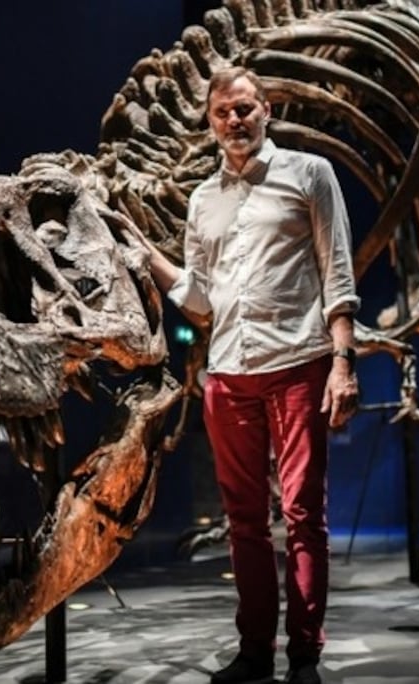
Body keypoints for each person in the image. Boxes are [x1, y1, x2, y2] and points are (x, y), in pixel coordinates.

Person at [131, 66, 360, 684]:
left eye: (245, 109)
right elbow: (200, 301)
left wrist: (342, 360)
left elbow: (338, 274)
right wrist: (143, 253)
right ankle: (255, 650)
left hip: (297, 364)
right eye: (222, 112)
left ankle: (305, 654)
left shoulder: (310, 174)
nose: (234, 120)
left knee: (304, 512)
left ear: (266, 111)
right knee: (243, 520)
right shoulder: (203, 200)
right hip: (228, 373)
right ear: (210, 122)